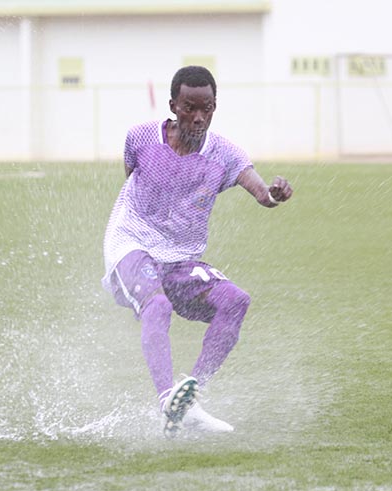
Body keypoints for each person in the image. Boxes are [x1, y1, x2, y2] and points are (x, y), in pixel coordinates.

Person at [101, 66, 293, 437]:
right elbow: (131, 177)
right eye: (190, 107)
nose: (198, 117)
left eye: (206, 108)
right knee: (157, 306)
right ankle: (166, 402)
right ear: (174, 105)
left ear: (215, 107)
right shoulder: (141, 138)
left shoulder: (224, 154)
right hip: (131, 245)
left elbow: (259, 191)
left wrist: (273, 194)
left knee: (235, 301)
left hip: (180, 260)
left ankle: (188, 402)